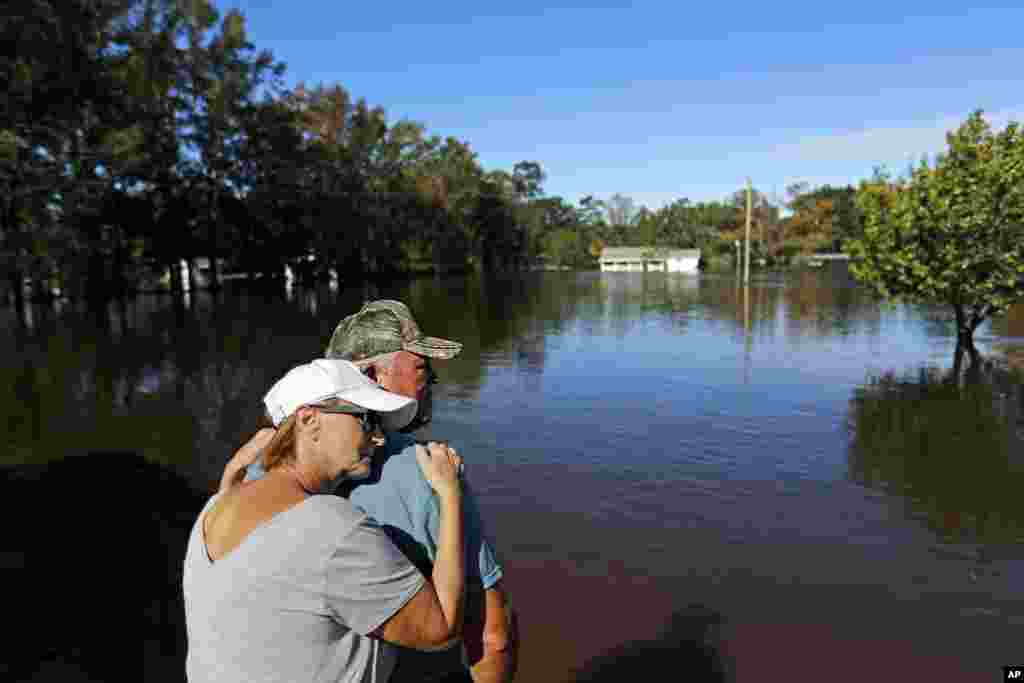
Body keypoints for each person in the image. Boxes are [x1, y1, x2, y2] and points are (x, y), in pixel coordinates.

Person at [227, 300, 517, 683]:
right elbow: (491, 638)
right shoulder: (428, 472)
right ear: (367, 372)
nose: (430, 381)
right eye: (420, 367)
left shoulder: (257, 471)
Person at [185, 359, 466, 683]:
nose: (379, 439)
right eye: (366, 420)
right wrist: (449, 492)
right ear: (309, 420)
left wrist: (231, 476)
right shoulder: (333, 527)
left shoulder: (214, 507)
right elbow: (441, 627)